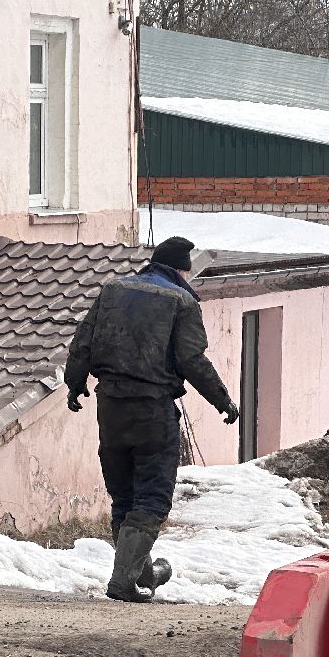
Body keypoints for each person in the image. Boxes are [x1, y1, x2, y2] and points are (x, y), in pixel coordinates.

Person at [64, 235, 240, 603]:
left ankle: (142, 574)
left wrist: (75, 384)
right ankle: (122, 583)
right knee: (152, 498)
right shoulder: (182, 301)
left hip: (110, 406)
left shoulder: (113, 290)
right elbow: (191, 360)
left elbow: (82, 343)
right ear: (182, 270)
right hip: (152, 409)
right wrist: (222, 400)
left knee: (124, 496)